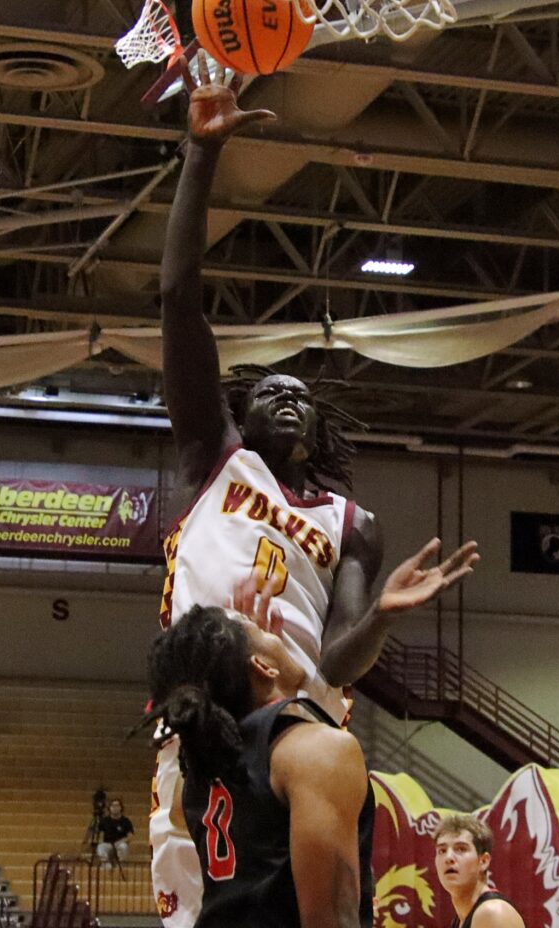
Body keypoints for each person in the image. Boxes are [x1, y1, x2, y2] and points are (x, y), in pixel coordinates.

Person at [153, 51, 481, 926]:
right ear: (238, 413)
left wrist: (380, 620)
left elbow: (337, 658)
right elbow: (179, 299)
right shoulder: (214, 458)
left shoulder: (352, 523)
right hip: (209, 707)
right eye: (270, 391)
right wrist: (203, 153)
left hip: (299, 711)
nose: (290, 397)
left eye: (303, 392)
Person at [144, 592, 375, 928]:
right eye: (267, 634)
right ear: (262, 667)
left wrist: (252, 649)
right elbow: (330, 921)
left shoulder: (198, 775)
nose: (280, 635)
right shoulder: (318, 751)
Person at [433, 815, 525, 928]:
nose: (448, 858)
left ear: (483, 861)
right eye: (442, 851)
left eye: (461, 849)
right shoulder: (460, 920)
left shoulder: (492, 912)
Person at [96, 798, 134, 868]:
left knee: (124, 847)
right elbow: (100, 833)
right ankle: (106, 866)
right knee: (100, 847)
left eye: (117, 806)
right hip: (108, 844)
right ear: (109, 808)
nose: (115, 808)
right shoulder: (104, 820)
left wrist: (120, 842)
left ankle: (121, 866)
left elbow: (130, 836)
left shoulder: (126, 821)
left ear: (120, 808)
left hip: (120, 844)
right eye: (113, 806)